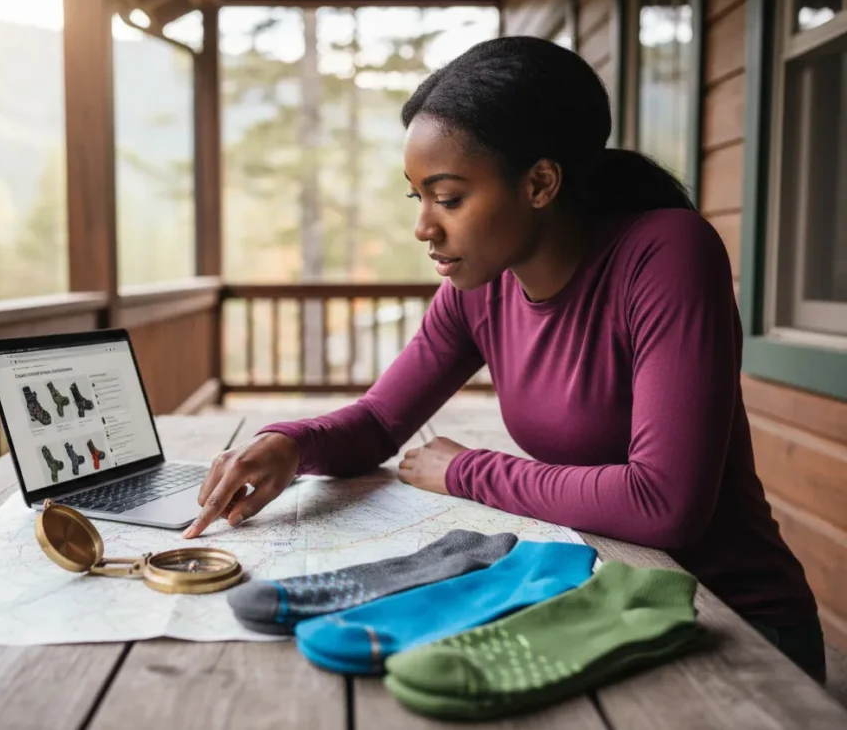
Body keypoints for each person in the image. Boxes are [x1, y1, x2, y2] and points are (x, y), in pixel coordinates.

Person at [182, 36, 826, 683]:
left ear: (540, 182)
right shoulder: (480, 288)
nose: (423, 227)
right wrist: (288, 444)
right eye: (418, 198)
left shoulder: (666, 254)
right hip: (607, 601)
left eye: (449, 197)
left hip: (736, 631)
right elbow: (381, 421)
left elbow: (664, 502)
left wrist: (468, 469)